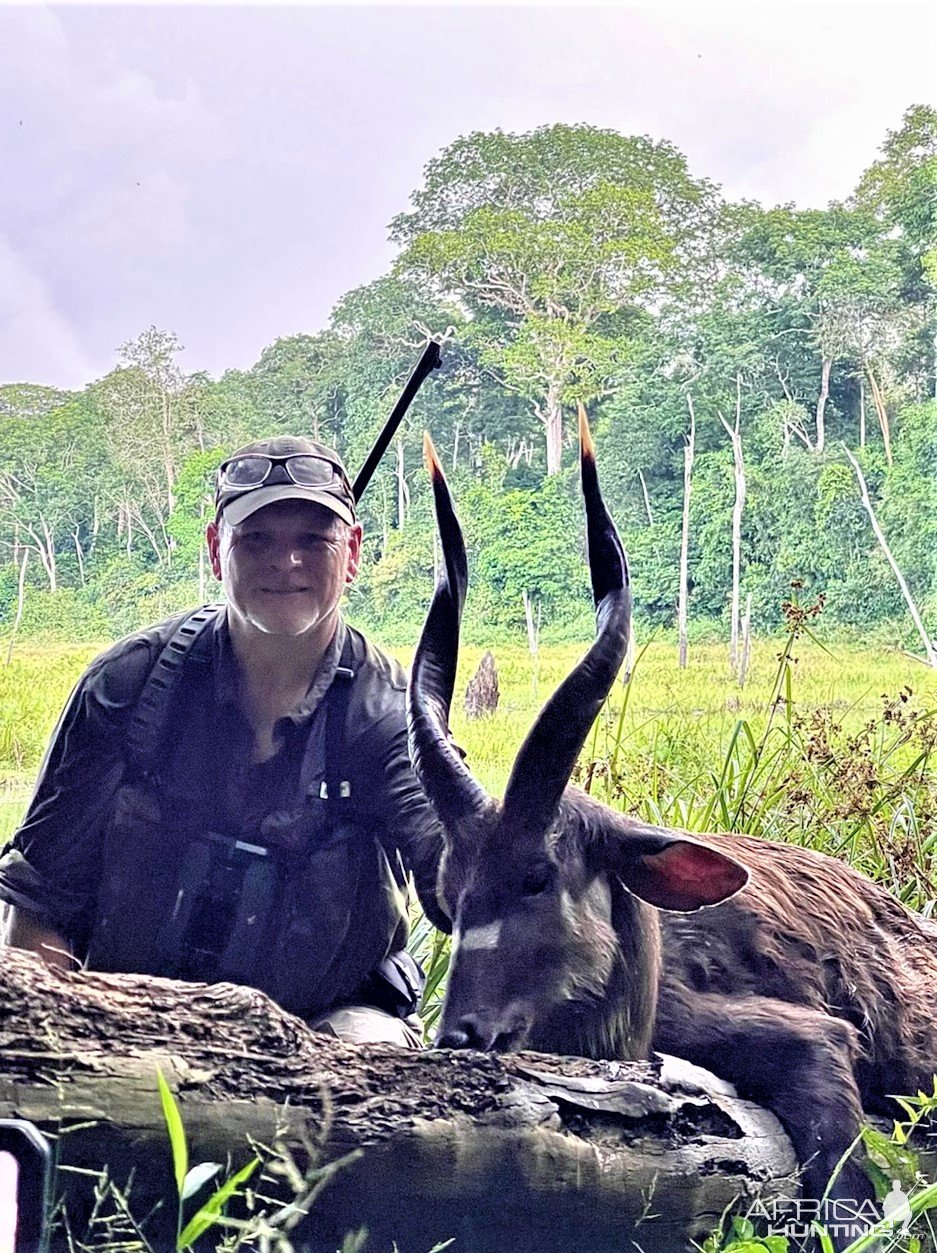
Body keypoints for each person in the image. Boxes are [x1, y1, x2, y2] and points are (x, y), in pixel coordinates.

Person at [0, 435, 449, 1048]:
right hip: (122, 1018)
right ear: (217, 549)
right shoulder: (128, 686)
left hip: (328, 1028)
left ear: (352, 554)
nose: (284, 562)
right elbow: (38, 905)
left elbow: (458, 883)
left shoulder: (390, 716)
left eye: (312, 541)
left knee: (370, 1051)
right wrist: (59, 1037)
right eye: (256, 539)